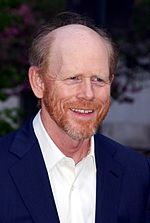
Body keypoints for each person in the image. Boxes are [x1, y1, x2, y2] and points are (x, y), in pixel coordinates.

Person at [0, 12, 150, 223]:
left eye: (98, 79)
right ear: (38, 83)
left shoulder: (137, 174)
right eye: (73, 78)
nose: (88, 94)